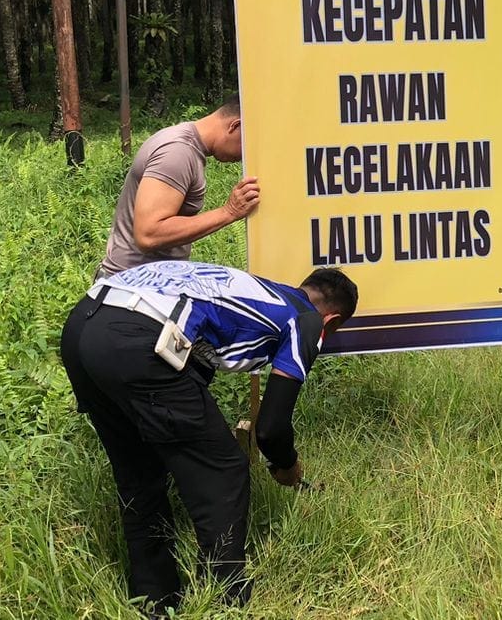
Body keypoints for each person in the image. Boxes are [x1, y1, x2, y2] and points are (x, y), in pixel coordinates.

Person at [59, 260, 358, 615]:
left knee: (138, 471)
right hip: (136, 337)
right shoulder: (307, 320)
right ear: (332, 321)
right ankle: (226, 602)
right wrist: (287, 465)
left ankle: (155, 601)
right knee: (225, 470)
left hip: (83, 324)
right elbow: (271, 428)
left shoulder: (256, 289)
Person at [97, 97, 260, 281]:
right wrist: (229, 212)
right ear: (235, 126)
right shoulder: (178, 152)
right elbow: (148, 234)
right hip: (131, 285)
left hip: (147, 281)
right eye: (246, 147)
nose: (242, 157)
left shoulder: (182, 141)